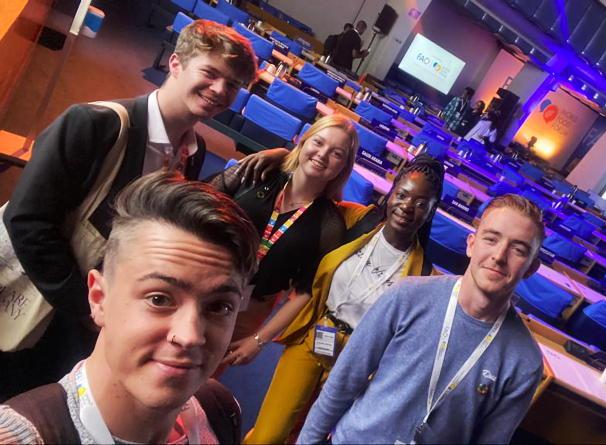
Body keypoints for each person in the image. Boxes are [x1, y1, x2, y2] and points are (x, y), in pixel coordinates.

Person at [0, 19, 257, 400]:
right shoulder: (94, 123)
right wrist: (87, 308)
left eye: (232, 85)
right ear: (175, 63)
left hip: (95, 320)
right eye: (210, 73)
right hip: (44, 301)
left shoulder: (194, 151)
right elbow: (27, 220)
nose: (220, 90)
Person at [0, 171, 260, 443]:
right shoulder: (21, 438)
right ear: (99, 298)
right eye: (159, 299)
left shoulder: (219, 409)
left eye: (219, 307)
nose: (190, 336)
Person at [298, 194, 546, 444]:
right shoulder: (407, 296)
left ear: (531, 268)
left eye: (518, 249)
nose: (499, 255)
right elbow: (343, 382)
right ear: (471, 244)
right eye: (491, 239)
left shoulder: (524, 361)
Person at [245, 154, 445, 444]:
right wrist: (280, 154)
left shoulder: (425, 276)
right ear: (391, 194)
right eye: (402, 195)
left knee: (309, 438)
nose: (407, 206)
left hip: (358, 362)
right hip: (314, 337)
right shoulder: (357, 220)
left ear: (431, 210)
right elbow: (309, 188)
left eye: (421, 203)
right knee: (269, 434)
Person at [210, 115, 359, 371]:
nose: (323, 155)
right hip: (202, 279)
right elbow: (203, 198)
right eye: (318, 142)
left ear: (344, 167)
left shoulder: (330, 225)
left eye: (337, 153)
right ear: (303, 142)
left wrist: (259, 340)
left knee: (206, 376)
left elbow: (306, 291)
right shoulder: (261, 172)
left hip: (247, 309)